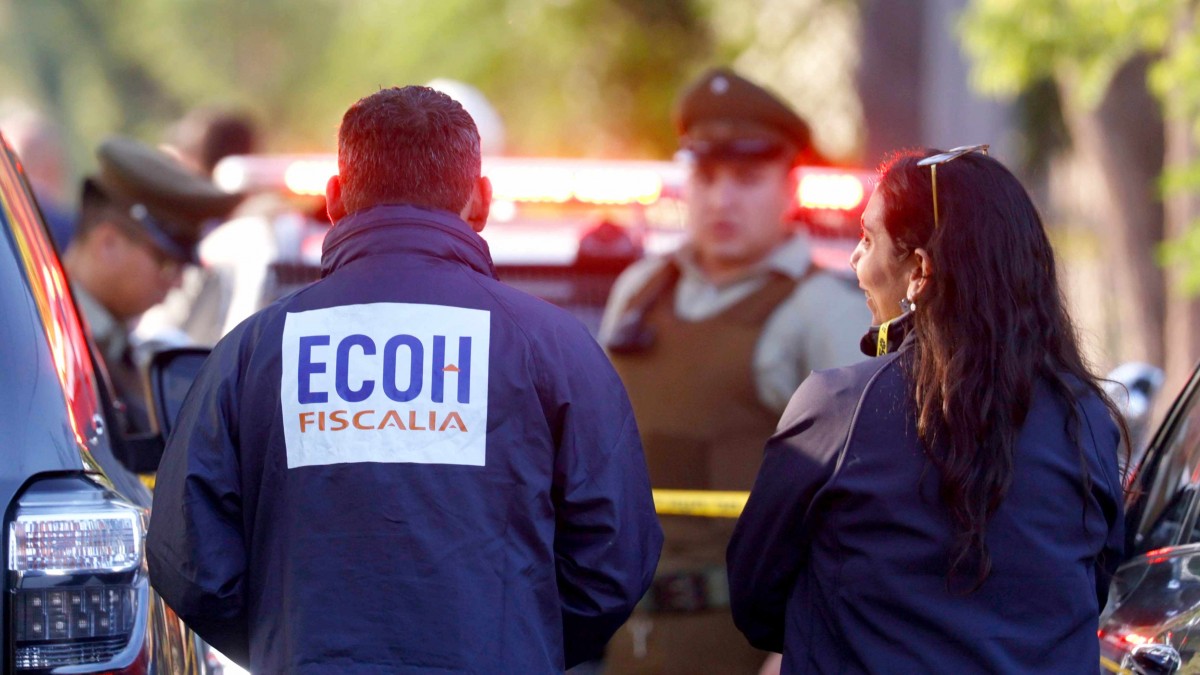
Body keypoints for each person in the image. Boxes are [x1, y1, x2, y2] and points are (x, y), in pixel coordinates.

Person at [146, 85, 664, 674]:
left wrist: (286, 640)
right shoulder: (555, 348)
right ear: (482, 200)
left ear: (336, 197)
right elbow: (616, 556)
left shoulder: (255, 351)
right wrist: (522, 640)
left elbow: (186, 555)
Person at [727, 146, 1126, 673]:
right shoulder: (1089, 420)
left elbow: (755, 598)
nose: (854, 260)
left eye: (868, 239)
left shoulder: (838, 408)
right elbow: (1091, 589)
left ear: (919, 270)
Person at [597, 68, 869, 673]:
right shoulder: (640, 291)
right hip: (628, 637)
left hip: (748, 647)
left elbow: (865, 511)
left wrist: (793, 651)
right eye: (707, 175)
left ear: (788, 186)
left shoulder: (822, 312)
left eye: (747, 179)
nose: (722, 199)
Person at [62, 136, 241, 434]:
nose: (179, 281)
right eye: (167, 263)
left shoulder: (108, 343)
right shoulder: (45, 343)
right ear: (108, 244)